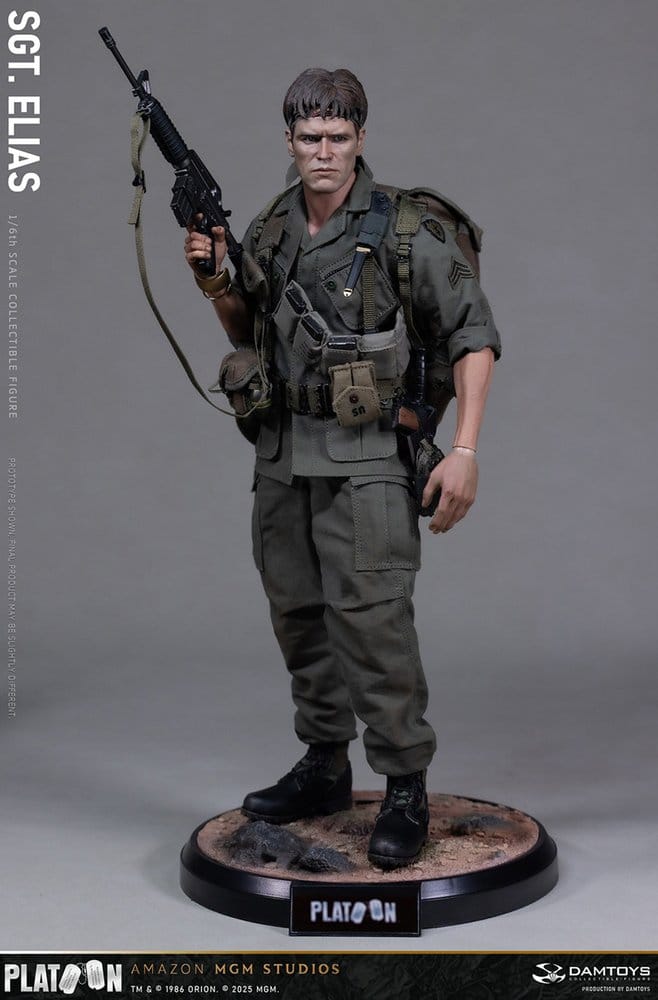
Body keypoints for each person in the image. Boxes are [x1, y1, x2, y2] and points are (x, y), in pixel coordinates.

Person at [183, 68, 501, 869]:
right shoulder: (272, 225)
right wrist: (215, 278)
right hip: (283, 454)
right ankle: (324, 763)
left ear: (361, 138)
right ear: (288, 142)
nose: (322, 152)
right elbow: (251, 328)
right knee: (298, 616)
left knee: (374, 624)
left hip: (367, 461)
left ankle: (404, 785)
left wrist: (465, 451)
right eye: (308, 138)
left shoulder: (406, 228)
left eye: (337, 137)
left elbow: (472, 335)